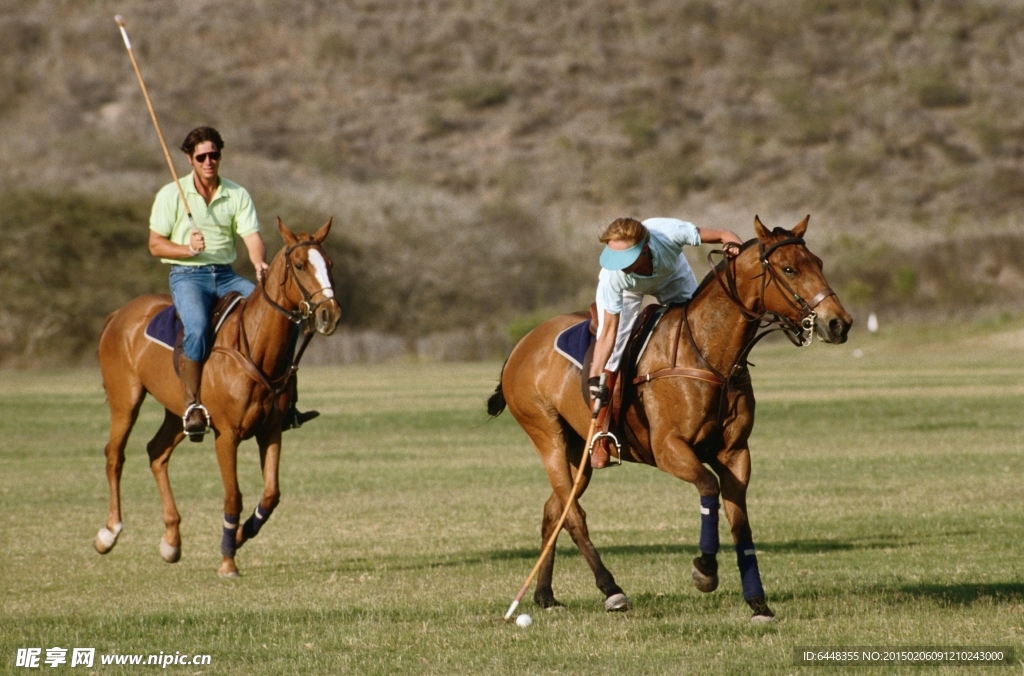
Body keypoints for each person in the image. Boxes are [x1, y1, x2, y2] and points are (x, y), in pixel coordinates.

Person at [148, 126, 313, 439]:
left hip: (225, 274)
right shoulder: (172, 195)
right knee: (196, 327)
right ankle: (193, 405)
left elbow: (251, 235)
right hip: (188, 275)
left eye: (214, 155)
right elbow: (155, 244)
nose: (209, 161)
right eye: (202, 156)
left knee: (284, 318)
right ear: (189, 158)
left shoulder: (236, 193)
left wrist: (257, 261)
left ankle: (285, 404)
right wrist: (187, 249)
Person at [587, 217, 743, 468]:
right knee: (614, 350)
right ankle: (600, 434)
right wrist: (595, 377)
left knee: (698, 331)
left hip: (672, 277)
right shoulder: (614, 277)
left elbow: (725, 234)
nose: (621, 266)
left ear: (645, 247)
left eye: (626, 259)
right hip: (628, 292)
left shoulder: (669, 234)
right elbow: (607, 335)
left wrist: (736, 248)